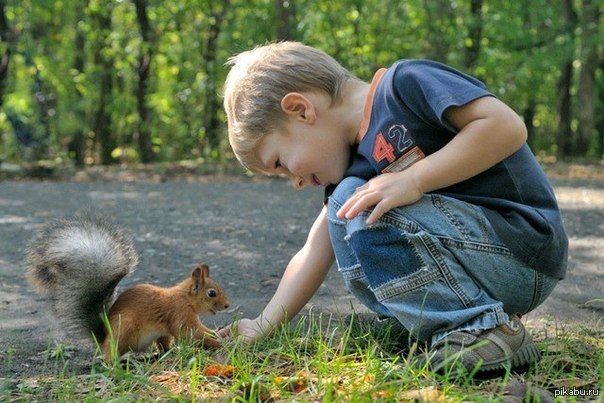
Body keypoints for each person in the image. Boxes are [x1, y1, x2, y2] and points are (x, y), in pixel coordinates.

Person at [218, 41, 568, 373]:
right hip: (481, 268)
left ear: (300, 110)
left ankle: (480, 329)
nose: (293, 181)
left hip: (521, 251)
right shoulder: (355, 168)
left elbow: (506, 126)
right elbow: (314, 251)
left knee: (351, 203)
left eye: (279, 162)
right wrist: (263, 324)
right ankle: (443, 325)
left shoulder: (405, 85)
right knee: (346, 206)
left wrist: (415, 180)